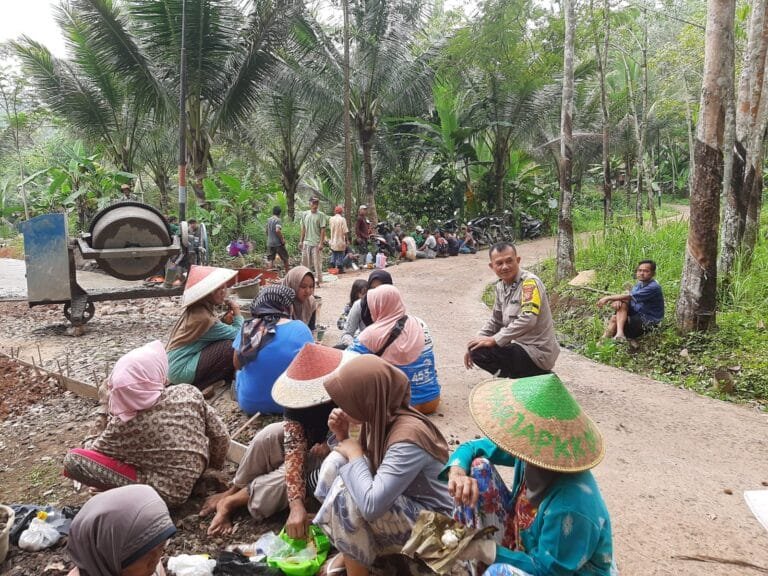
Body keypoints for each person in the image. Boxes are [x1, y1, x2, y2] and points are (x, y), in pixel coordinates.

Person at [445, 373, 614, 575]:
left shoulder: (570, 506)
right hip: (525, 541)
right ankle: (473, 559)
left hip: (560, 569)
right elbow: (472, 448)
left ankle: (487, 560)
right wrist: (457, 473)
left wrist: (485, 549)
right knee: (479, 467)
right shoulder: (530, 455)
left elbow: (547, 570)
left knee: (500, 573)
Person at [313, 355, 452, 576]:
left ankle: (357, 565)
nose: (341, 406)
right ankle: (352, 551)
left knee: (345, 494)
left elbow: (371, 505)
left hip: (444, 534)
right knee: (335, 463)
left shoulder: (408, 437)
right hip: (410, 512)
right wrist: (343, 437)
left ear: (368, 399)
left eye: (349, 400)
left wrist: (355, 453)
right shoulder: (379, 417)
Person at [201, 344, 355, 537]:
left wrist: (332, 444)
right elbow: (294, 451)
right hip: (314, 444)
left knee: (287, 477)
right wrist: (296, 506)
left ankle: (233, 502)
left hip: (342, 453)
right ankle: (234, 489)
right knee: (270, 435)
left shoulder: (348, 391)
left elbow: (357, 440)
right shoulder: (297, 402)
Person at [63, 341, 230, 507]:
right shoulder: (188, 392)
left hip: (167, 497)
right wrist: (211, 468)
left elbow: (90, 452)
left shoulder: (124, 425)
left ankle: (126, 495)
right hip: (196, 473)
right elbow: (221, 437)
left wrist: (103, 406)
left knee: (74, 460)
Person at [464, 242, 559, 379]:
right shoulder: (500, 287)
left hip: (537, 351)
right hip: (518, 347)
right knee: (477, 350)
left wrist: (495, 339)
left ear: (518, 260)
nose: (505, 267)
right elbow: (495, 320)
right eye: (499, 263)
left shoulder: (529, 284)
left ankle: (531, 375)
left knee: (488, 349)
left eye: (509, 261)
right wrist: (475, 342)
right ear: (492, 266)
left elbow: (528, 319)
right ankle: (517, 378)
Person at [348, 285, 441, 414]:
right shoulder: (420, 323)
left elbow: (345, 362)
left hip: (399, 406)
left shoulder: (372, 334)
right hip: (432, 401)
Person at [232, 286, 313, 415]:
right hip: (290, 403)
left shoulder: (248, 328)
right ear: (286, 306)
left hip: (250, 404)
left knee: (240, 373)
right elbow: (310, 367)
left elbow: (237, 364)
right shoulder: (300, 328)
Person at [67, 484, 176, 576]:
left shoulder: (150, 568)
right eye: (146, 555)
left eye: (161, 546)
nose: (155, 560)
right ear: (107, 554)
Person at [166, 266, 243, 390]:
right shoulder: (204, 319)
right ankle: (200, 385)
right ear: (207, 294)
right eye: (218, 289)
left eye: (224, 287)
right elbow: (238, 333)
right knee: (230, 346)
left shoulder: (199, 309)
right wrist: (237, 312)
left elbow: (210, 335)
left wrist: (224, 321)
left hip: (173, 366)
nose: (224, 292)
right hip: (180, 370)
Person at [598, 259, 664, 341]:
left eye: (646, 271)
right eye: (639, 270)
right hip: (638, 314)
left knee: (614, 319)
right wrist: (619, 300)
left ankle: (605, 340)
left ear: (653, 273)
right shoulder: (640, 284)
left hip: (648, 321)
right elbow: (628, 295)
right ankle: (618, 334)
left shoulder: (653, 287)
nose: (641, 273)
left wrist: (608, 298)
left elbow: (630, 296)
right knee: (622, 304)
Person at [339, 270, 393, 348]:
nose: (376, 292)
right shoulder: (360, 305)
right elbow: (347, 334)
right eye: (372, 288)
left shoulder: (395, 308)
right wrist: (357, 348)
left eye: (381, 288)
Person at [299, 197, 328, 287]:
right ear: (309, 204)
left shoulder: (321, 215)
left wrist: (321, 243)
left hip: (316, 243)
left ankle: (318, 281)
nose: (315, 205)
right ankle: (305, 281)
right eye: (313, 203)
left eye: (316, 203)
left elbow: (323, 230)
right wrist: (301, 241)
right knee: (305, 263)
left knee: (317, 264)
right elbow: (303, 228)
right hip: (306, 243)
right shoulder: (305, 214)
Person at [282, 266, 321, 332]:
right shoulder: (280, 303)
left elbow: (310, 329)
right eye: (303, 287)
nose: (308, 291)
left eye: (311, 286)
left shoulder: (310, 302)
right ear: (292, 285)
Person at [266, 206, 291, 272]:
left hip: (270, 243)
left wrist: (269, 238)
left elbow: (266, 230)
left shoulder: (268, 220)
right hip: (278, 243)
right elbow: (277, 230)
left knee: (271, 259)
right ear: (279, 213)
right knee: (285, 258)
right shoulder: (278, 220)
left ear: (273, 212)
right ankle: (288, 274)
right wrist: (282, 239)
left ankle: (269, 277)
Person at [328, 205, 349, 272]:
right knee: (340, 254)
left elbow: (330, 229)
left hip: (333, 240)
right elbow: (345, 231)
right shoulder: (342, 219)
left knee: (334, 253)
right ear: (341, 212)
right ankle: (340, 269)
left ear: (335, 212)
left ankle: (332, 267)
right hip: (340, 240)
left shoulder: (331, 219)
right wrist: (347, 240)